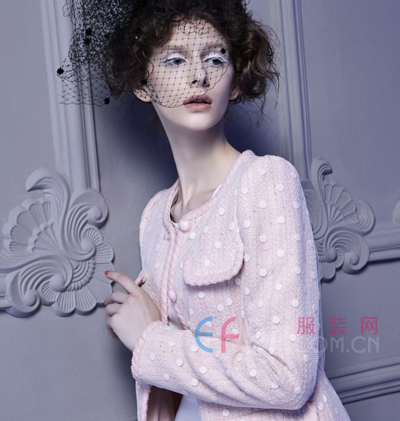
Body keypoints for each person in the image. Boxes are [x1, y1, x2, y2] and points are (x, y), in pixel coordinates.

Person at [58, 1, 352, 420]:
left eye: (215, 58)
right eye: (175, 60)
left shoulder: (265, 182)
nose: (199, 75)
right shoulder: (155, 215)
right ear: (142, 83)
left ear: (234, 82)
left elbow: (288, 378)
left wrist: (149, 339)